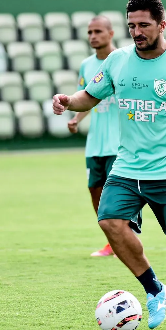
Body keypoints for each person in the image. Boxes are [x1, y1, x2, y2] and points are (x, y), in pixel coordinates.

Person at [52, 0, 166, 330]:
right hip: (127, 167)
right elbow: (89, 96)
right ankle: (155, 289)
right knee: (109, 221)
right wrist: (67, 101)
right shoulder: (117, 61)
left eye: (144, 25)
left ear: (162, 25)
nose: (137, 32)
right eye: (131, 25)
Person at [67, 16, 129, 257]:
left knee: (116, 195)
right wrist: (76, 118)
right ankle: (113, 241)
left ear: (111, 33)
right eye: (90, 31)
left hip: (119, 143)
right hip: (94, 144)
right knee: (95, 192)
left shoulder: (124, 61)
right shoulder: (86, 65)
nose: (93, 36)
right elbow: (88, 98)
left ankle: (124, 238)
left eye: (98, 31)